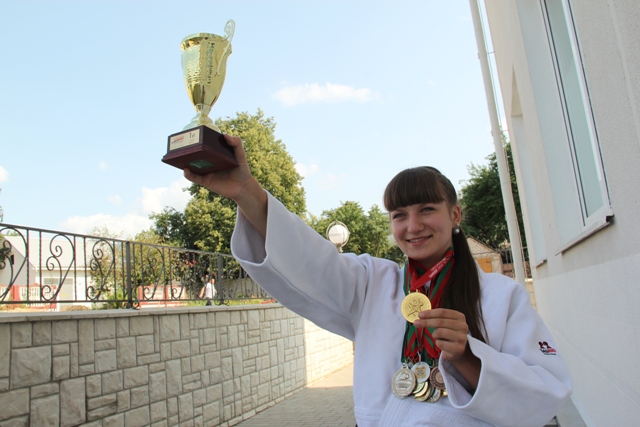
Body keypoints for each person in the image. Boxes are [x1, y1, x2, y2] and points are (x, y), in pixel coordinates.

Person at [184, 134, 571, 427]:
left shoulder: (502, 295)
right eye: (399, 215)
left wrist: (468, 356)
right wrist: (246, 192)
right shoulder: (373, 282)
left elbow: (547, 392)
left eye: (427, 210)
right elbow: (310, 261)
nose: (412, 226)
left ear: (455, 215)